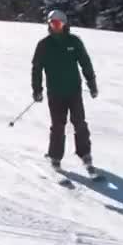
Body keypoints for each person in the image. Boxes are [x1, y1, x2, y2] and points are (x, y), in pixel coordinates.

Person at [31, 9, 99, 174]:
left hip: (74, 91)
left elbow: (85, 62)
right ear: (49, 24)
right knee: (58, 126)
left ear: (65, 24)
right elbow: (37, 69)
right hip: (55, 93)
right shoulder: (44, 45)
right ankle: (55, 157)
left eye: (59, 23)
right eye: (53, 23)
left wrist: (92, 83)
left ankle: (85, 154)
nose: (56, 27)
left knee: (80, 123)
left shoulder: (74, 41)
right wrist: (37, 89)